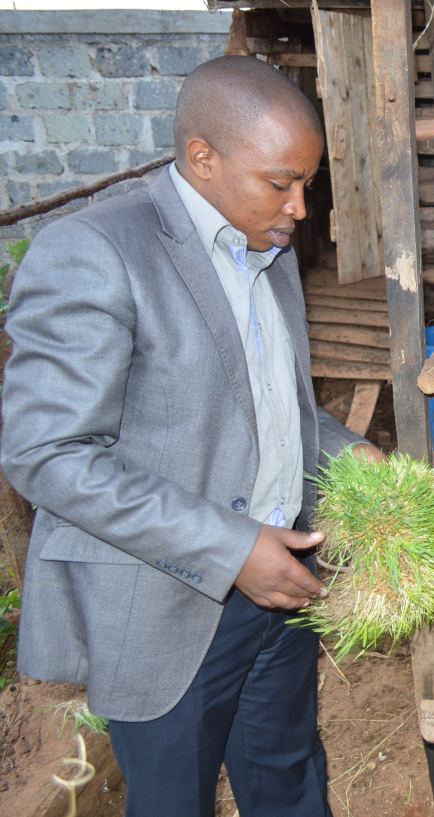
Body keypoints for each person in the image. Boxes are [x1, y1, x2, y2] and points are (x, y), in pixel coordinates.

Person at [2, 56, 384, 817]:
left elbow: (268, 406)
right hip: (163, 600)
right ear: (202, 158)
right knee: (174, 798)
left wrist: (350, 456)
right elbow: (47, 454)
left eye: (307, 183)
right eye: (281, 182)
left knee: (288, 773)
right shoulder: (96, 252)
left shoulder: (265, 248)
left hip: (280, 582)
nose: (300, 208)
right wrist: (231, 548)